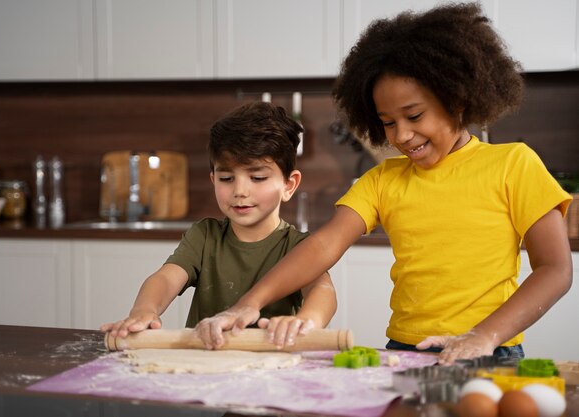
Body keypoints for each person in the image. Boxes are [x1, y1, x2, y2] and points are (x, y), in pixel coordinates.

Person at [194, 3, 573, 364]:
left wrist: (485, 335)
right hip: (403, 350)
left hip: (490, 350)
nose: (403, 135)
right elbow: (323, 245)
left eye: (414, 115)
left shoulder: (513, 164)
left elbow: (554, 269)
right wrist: (250, 302)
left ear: (457, 99)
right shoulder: (383, 180)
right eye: (388, 122)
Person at [101, 102, 337, 348]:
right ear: (213, 179)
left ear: (289, 185)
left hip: (274, 368)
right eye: (226, 178)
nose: (240, 191)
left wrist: (305, 321)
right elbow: (165, 278)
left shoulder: (299, 246)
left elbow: (323, 291)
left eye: (257, 178)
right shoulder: (204, 236)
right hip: (205, 364)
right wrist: (145, 309)